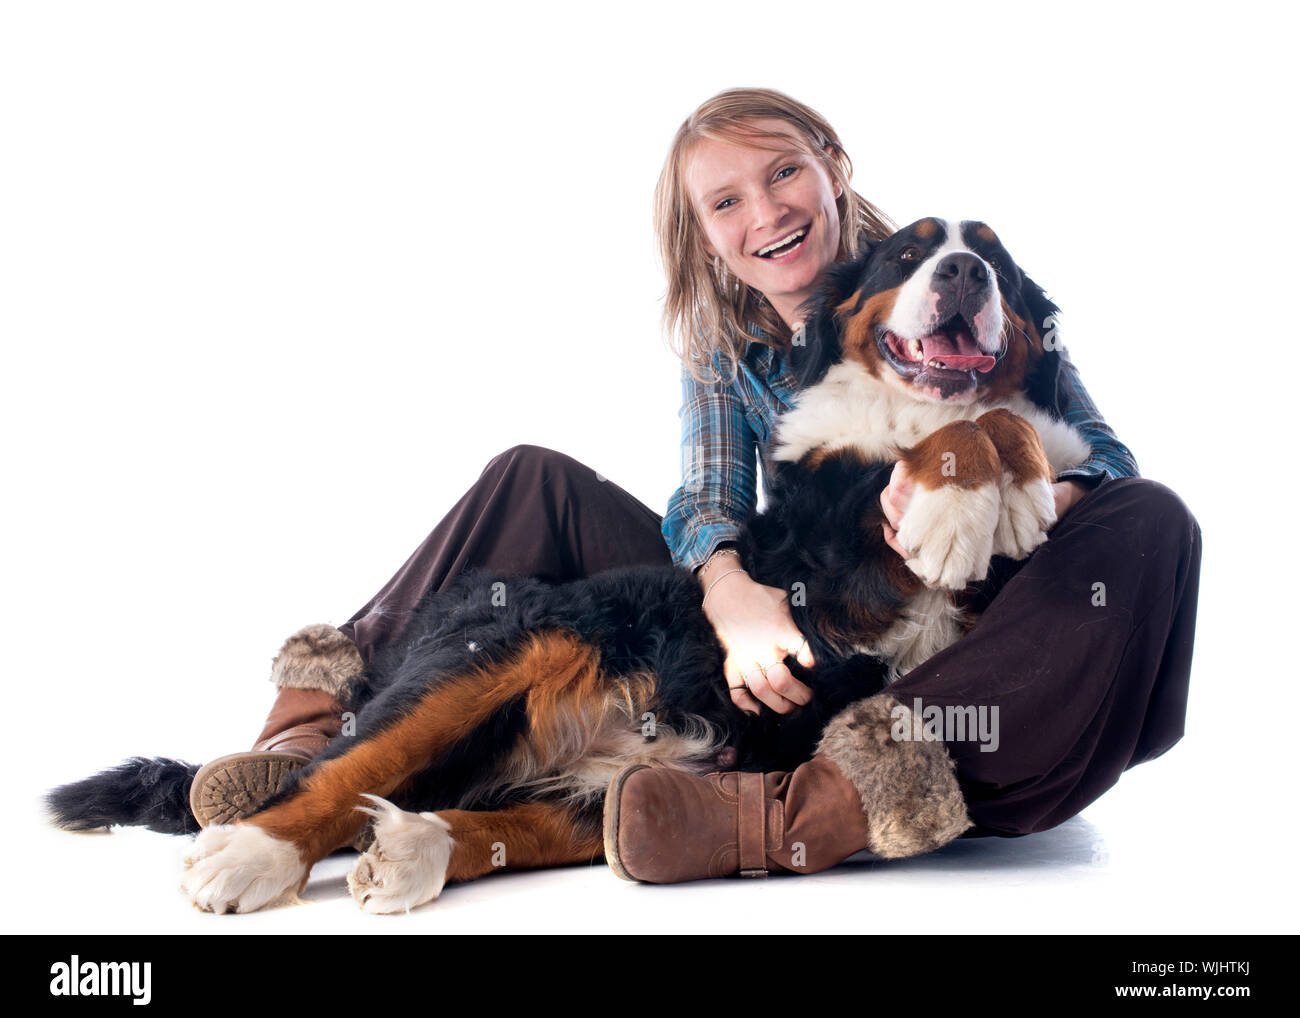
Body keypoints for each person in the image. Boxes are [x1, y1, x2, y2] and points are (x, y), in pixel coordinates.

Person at [191, 89, 1201, 887]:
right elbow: (708, 498)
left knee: (1149, 520)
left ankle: (798, 808)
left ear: (831, 169)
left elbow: (1104, 459)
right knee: (530, 477)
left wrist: (1014, 482)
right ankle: (318, 728)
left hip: (945, 659)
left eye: (783, 174)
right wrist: (728, 586)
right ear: (702, 229)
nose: (765, 213)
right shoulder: (724, 345)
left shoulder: (962, 287)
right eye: (726, 200)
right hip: (784, 612)